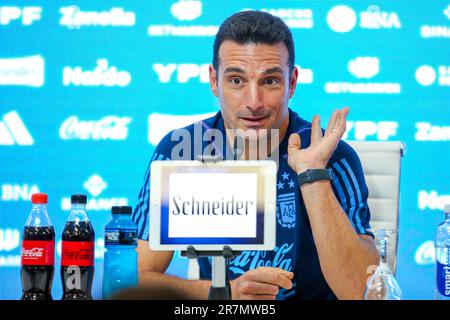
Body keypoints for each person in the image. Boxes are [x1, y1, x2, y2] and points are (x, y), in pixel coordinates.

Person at [132, 10, 379, 300]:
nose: (254, 102)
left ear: (292, 83)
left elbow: (363, 293)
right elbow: (135, 279)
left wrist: (313, 176)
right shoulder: (182, 153)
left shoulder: (331, 157)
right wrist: (224, 294)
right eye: (236, 80)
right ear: (214, 81)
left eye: (270, 81)